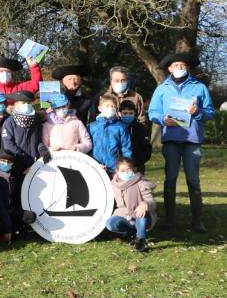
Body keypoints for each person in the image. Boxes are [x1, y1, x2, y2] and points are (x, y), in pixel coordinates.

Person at [148, 53, 215, 233]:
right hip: (171, 140)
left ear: (188, 67)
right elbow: (152, 112)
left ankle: (197, 221)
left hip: (192, 140)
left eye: (182, 65)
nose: (179, 68)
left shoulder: (199, 87)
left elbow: (211, 112)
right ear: (169, 68)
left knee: (193, 180)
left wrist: (198, 112)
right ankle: (169, 220)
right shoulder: (162, 89)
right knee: (170, 179)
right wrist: (162, 119)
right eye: (175, 65)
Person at [105, 158, 157, 253]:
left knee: (141, 213)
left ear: (133, 169)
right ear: (117, 171)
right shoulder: (113, 185)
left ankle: (140, 239)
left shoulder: (141, 182)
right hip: (124, 215)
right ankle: (128, 233)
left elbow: (152, 202)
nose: (126, 172)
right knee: (110, 223)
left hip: (141, 216)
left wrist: (146, 204)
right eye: (123, 171)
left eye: (128, 170)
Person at [1, 90, 52, 173]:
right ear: (16, 104)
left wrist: (42, 150)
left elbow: (38, 140)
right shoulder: (9, 122)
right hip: (16, 163)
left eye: (29, 103)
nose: (27, 105)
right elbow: (8, 144)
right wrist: (24, 157)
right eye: (23, 102)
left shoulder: (35, 120)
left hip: (34, 163)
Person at [88, 94, 132, 175]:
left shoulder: (121, 127)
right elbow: (88, 147)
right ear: (100, 108)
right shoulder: (92, 127)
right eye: (107, 106)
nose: (110, 108)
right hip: (96, 167)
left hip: (115, 168)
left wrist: (126, 165)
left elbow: (126, 148)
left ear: (116, 109)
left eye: (113, 106)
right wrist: (92, 163)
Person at [119, 100, 152, 173]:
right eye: (125, 113)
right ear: (120, 113)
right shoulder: (117, 127)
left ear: (135, 114)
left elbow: (146, 146)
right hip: (120, 165)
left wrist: (139, 160)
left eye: (131, 113)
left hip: (137, 165)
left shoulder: (140, 128)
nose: (128, 115)